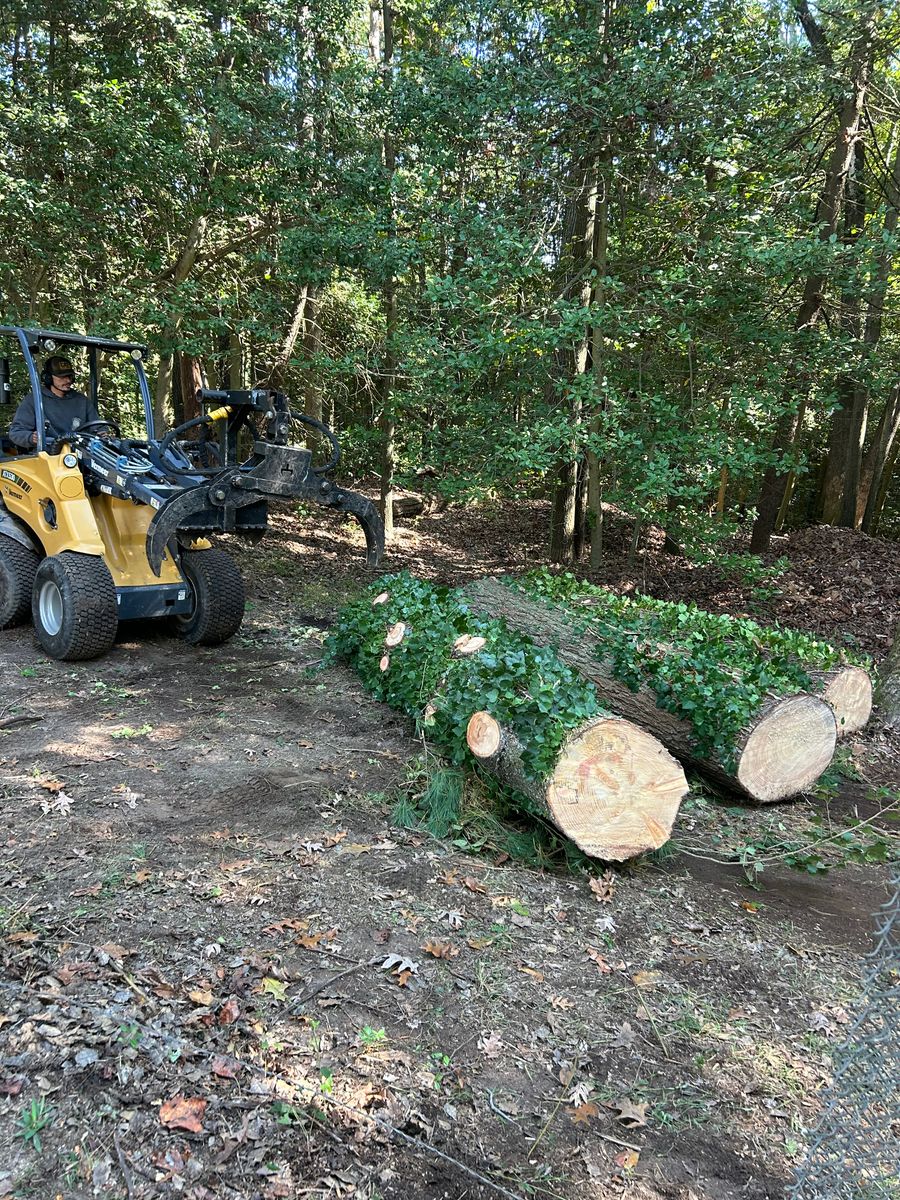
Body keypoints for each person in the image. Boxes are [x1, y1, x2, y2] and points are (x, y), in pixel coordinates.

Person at [8, 355, 99, 450]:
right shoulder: (35, 399)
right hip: (47, 456)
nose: (68, 380)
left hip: (79, 455)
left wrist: (102, 435)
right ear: (48, 378)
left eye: (69, 376)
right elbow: (16, 433)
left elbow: (98, 428)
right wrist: (32, 437)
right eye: (62, 377)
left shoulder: (82, 401)